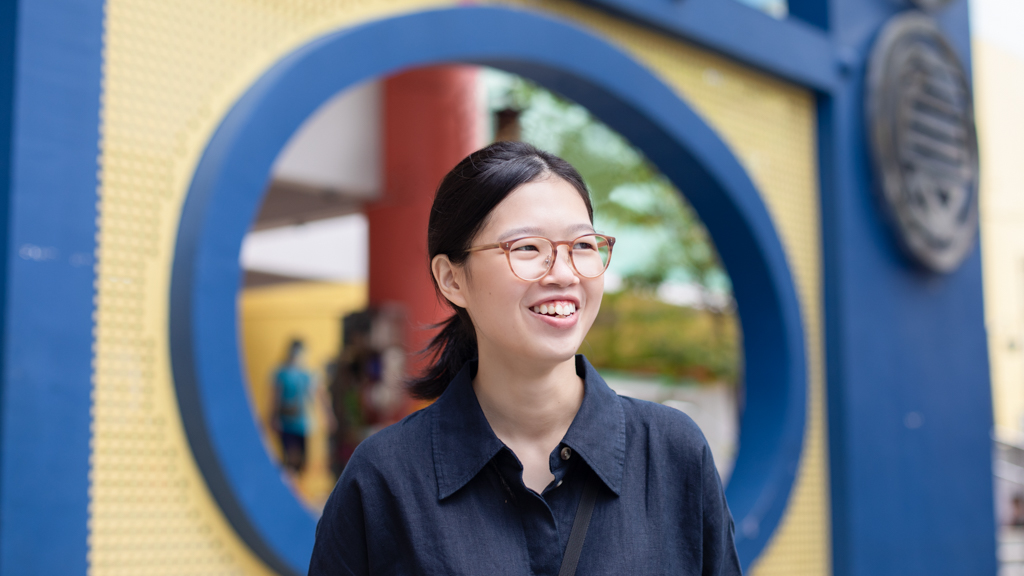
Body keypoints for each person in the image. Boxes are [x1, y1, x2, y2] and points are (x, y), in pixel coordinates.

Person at [309, 141, 741, 575]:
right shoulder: (385, 479)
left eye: (583, 245)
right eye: (528, 248)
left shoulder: (672, 455)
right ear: (451, 279)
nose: (564, 273)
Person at [272, 338, 315, 473]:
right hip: (287, 422)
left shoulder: (306, 374)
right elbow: (275, 397)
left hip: (302, 423)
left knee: (301, 462)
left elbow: (313, 396)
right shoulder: (282, 373)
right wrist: (273, 417)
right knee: (290, 458)